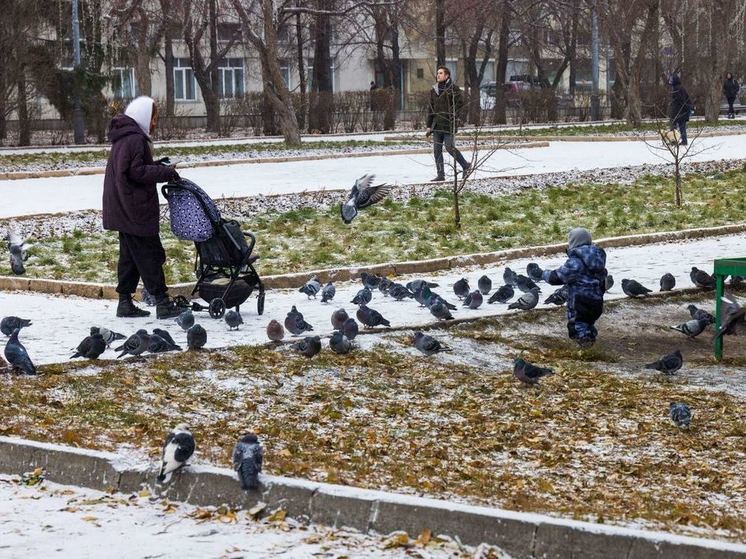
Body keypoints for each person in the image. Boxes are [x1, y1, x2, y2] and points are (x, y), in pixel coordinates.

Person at [103, 95, 183, 319]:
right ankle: (162, 302)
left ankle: (124, 302)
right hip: (134, 209)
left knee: (130, 256)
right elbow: (137, 172)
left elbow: (133, 168)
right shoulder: (135, 139)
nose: (154, 123)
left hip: (122, 207)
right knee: (150, 254)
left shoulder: (124, 137)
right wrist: (166, 172)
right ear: (143, 117)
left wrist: (157, 166)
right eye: (153, 118)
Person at [542, 228, 607, 348]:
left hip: (580, 302)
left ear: (573, 243)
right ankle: (590, 343)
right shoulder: (598, 260)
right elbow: (603, 281)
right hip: (597, 301)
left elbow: (558, 277)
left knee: (577, 326)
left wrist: (544, 274)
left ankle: (585, 347)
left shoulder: (576, 262)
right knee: (588, 323)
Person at [426, 66, 471, 182]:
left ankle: (465, 165)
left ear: (447, 76)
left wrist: (455, 117)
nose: (438, 75)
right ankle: (440, 174)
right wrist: (428, 125)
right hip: (436, 125)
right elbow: (430, 109)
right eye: (437, 73)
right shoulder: (434, 90)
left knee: (449, 147)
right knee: (437, 151)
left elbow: (460, 105)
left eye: (440, 73)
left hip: (449, 124)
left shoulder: (453, 89)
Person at [668, 74, 693, 146]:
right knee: (682, 127)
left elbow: (680, 100)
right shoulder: (681, 88)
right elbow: (687, 98)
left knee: (673, 126)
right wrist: (689, 107)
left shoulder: (676, 89)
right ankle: (684, 141)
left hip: (678, 111)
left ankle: (673, 140)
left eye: (671, 80)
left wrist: (686, 107)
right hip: (682, 111)